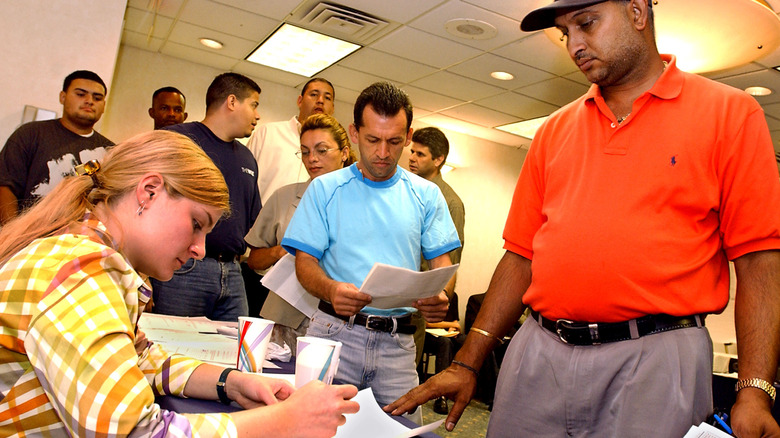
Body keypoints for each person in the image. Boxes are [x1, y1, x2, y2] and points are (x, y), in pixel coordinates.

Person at [386, 1, 780, 437]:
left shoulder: (731, 113)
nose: (574, 44)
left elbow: (759, 263)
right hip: (539, 351)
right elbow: (520, 257)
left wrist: (754, 392)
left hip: (657, 357)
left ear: (636, 12)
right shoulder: (554, 130)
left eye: (586, 24)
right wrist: (466, 361)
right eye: (563, 32)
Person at [0, 130, 358, 438]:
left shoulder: (86, 253)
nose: (200, 250)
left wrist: (230, 382)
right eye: (196, 224)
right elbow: (137, 432)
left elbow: (139, 357)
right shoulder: (82, 270)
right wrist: (284, 421)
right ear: (149, 191)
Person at [281, 82, 461, 422]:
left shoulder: (427, 195)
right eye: (372, 140)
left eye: (394, 142)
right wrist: (332, 289)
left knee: (400, 429)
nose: (383, 152)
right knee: (314, 428)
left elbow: (443, 266)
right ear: (353, 133)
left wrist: (440, 295)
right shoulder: (325, 189)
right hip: (333, 334)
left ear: (408, 136)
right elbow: (304, 264)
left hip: (397, 345)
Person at [151, 72, 262, 322]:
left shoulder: (247, 159)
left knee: (234, 352)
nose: (257, 115)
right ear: (232, 102)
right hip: (183, 268)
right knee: (174, 349)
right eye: (254, 105)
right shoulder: (177, 140)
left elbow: (252, 220)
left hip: (233, 273)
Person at [245, 113, 356, 353]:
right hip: (288, 319)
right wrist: (282, 250)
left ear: (344, 153)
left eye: (322, 150)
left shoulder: (363, 203)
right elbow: (253, 261)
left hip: (344, 322)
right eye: (305, 152)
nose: (312, 159)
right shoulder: (283, 198)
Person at [0, 70, 113, 225]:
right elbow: (5, 186)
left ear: (104, 106)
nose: (89, 101)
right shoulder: (31, 134)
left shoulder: (112, 152)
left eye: (97, 98)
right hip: (27, 240)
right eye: (81, 94)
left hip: (79, 244)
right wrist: (11, 237)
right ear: (63, 97)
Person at [407, 126, 465, 415]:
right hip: (393, 292)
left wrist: (438, 299)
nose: (412, 158)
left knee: (404, 378)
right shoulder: (406, 186)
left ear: (439, 159)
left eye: (420, 154)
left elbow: (449, 261)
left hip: (417, 301)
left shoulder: (449, 201)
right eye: (412, 151)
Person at [247, 77, 336, 205]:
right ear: (300, 101)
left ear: (332, 108)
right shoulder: (267, 133)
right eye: (314, 95)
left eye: (327, 98)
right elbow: (244, 182)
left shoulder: (335, 152)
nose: (320, 101)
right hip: (260, 222)